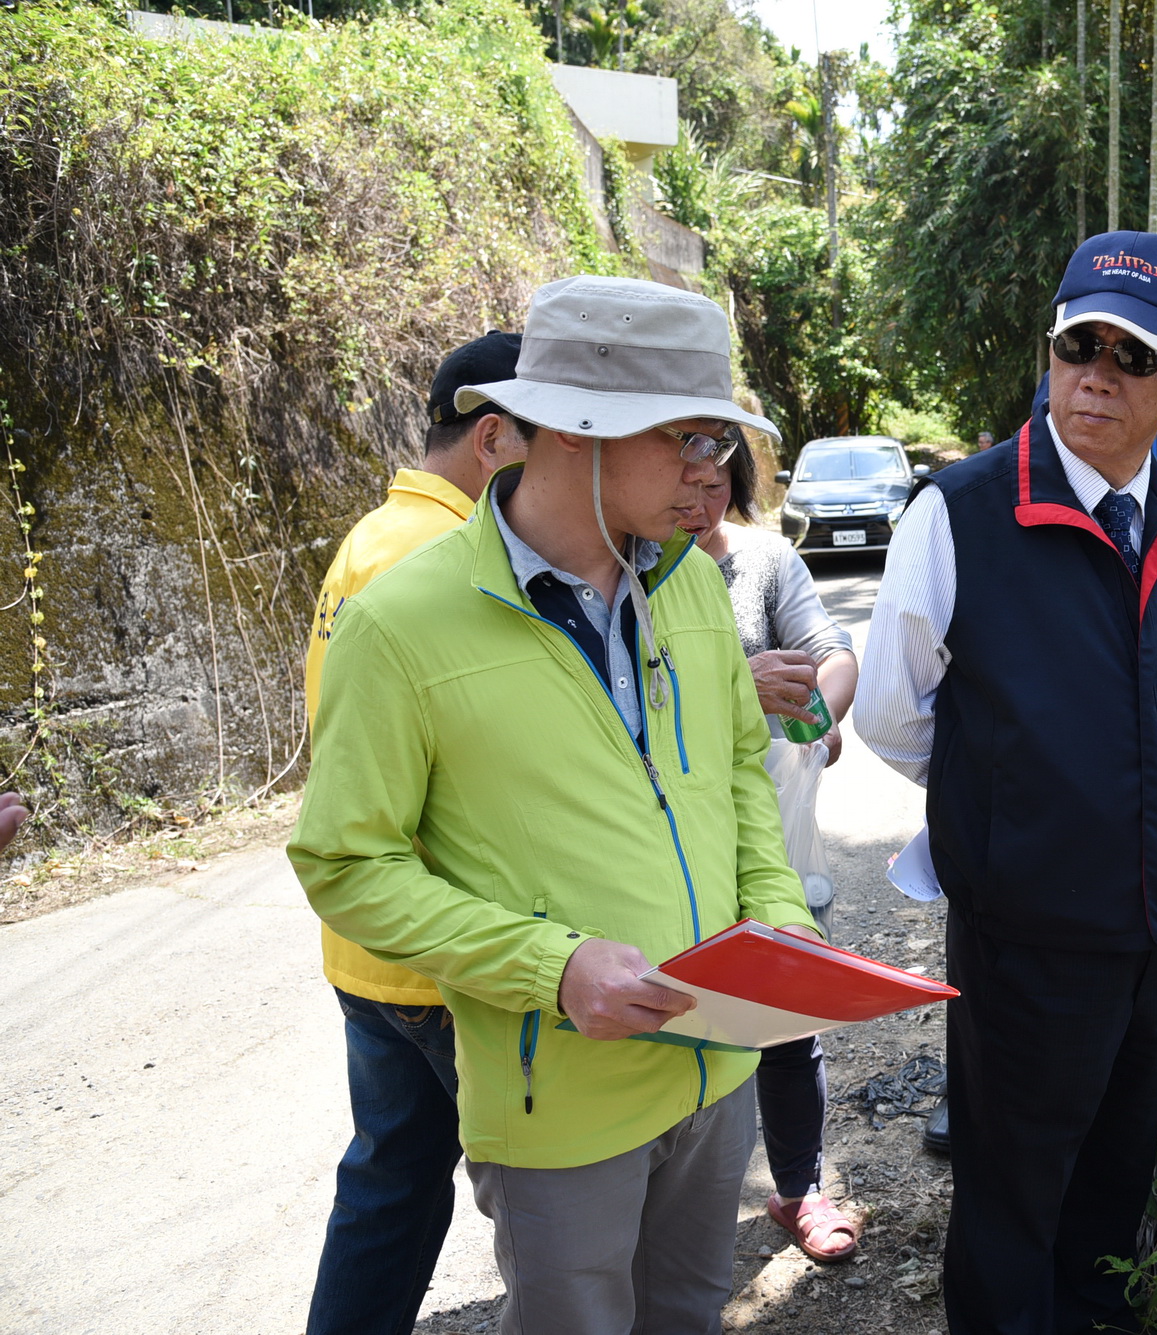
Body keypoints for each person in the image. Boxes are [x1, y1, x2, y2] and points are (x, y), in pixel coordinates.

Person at [290, 276, 820, 1335]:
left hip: (716, 1074)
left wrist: (782, 934)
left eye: (717, 441)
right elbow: (344, 864)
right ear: (575, 432)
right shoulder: (400, 625)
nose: (710, 473)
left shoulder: (685, 587)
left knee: (687, 1311)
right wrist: (552, 967)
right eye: (688, 439)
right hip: (558, 1100)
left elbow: (734, 777)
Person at [854, 230, 1157, 1335]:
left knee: (1111, 1196)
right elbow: (888, 711)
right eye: (1076, 345)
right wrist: (1008, 809)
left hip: (1153, 936)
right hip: (1027, 945)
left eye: (1130, 354)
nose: (1095, 375)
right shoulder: (962, 512)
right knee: (1013, 1207)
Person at [302, 331, 535, 1335]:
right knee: (538, 1197)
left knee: (390, 1185)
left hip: (374, 953)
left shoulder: (373, 535)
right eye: (558, 440)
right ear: (492, 438)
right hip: (443, 955)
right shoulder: (442, 556)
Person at [679, 442, 864, 1263]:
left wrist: (812, 719)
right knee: (683, 1028)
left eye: (718, 483)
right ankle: (679, 1218)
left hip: (772, 835)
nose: (700, 501)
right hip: (677, 841)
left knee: (788, 1019)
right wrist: (730, 692)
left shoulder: (764, 560)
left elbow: (833, 653)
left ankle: (799, 1189)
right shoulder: (626, 571)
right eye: (687, 481)